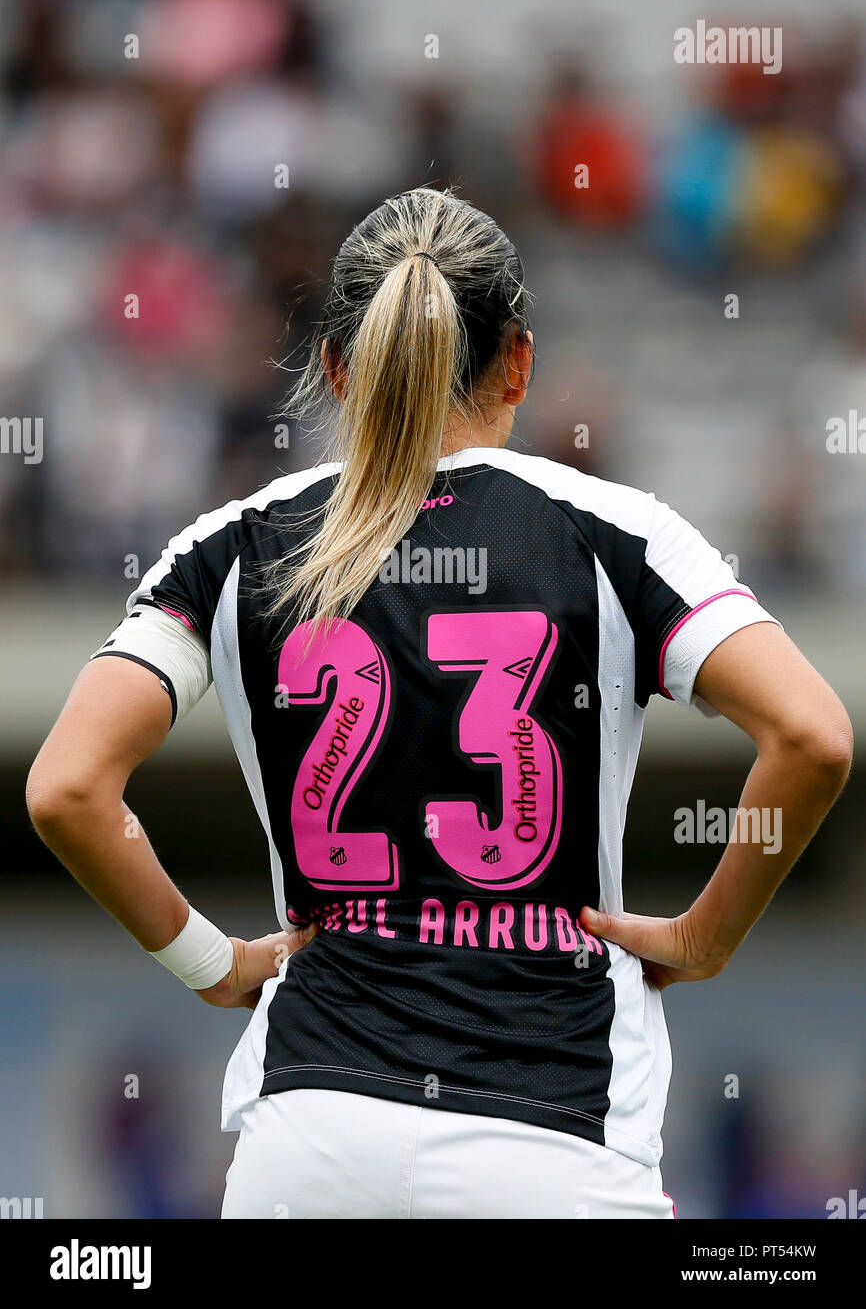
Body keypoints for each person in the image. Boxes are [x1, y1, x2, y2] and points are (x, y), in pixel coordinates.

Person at [26, 187, 853, 1220]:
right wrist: (705, 934)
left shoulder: (235, 542)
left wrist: (210, 961)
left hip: (309, 1131)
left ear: (335, 366)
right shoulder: (613, 530)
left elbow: (67, 789)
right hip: (553, 1129)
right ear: (518, 360)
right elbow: (811, 736)